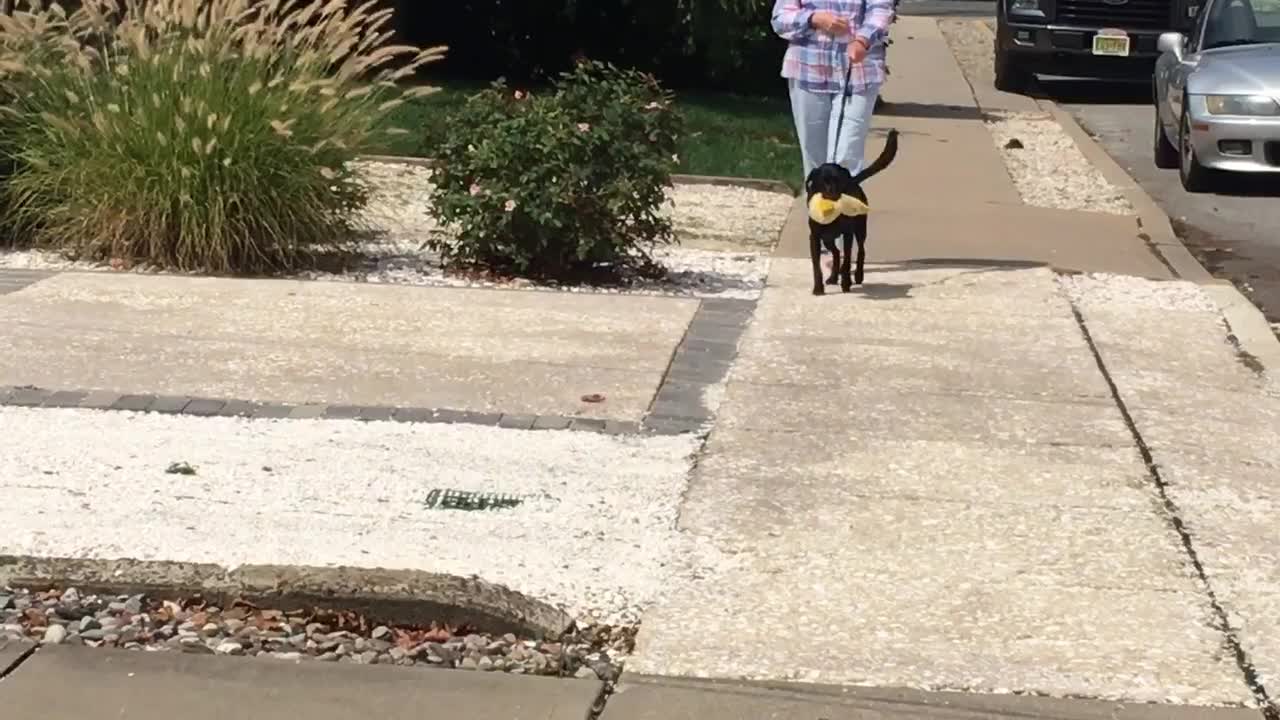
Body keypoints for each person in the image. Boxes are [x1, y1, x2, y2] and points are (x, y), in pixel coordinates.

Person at [771, 0, 896, 183]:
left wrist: (862, 40)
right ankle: (819, 209)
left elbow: (881, 10)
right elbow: (780, 19)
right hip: (808, 70)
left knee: (847, 156)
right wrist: (813, 19)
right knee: (815, 160)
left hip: (859, 73)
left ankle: (845, 208)